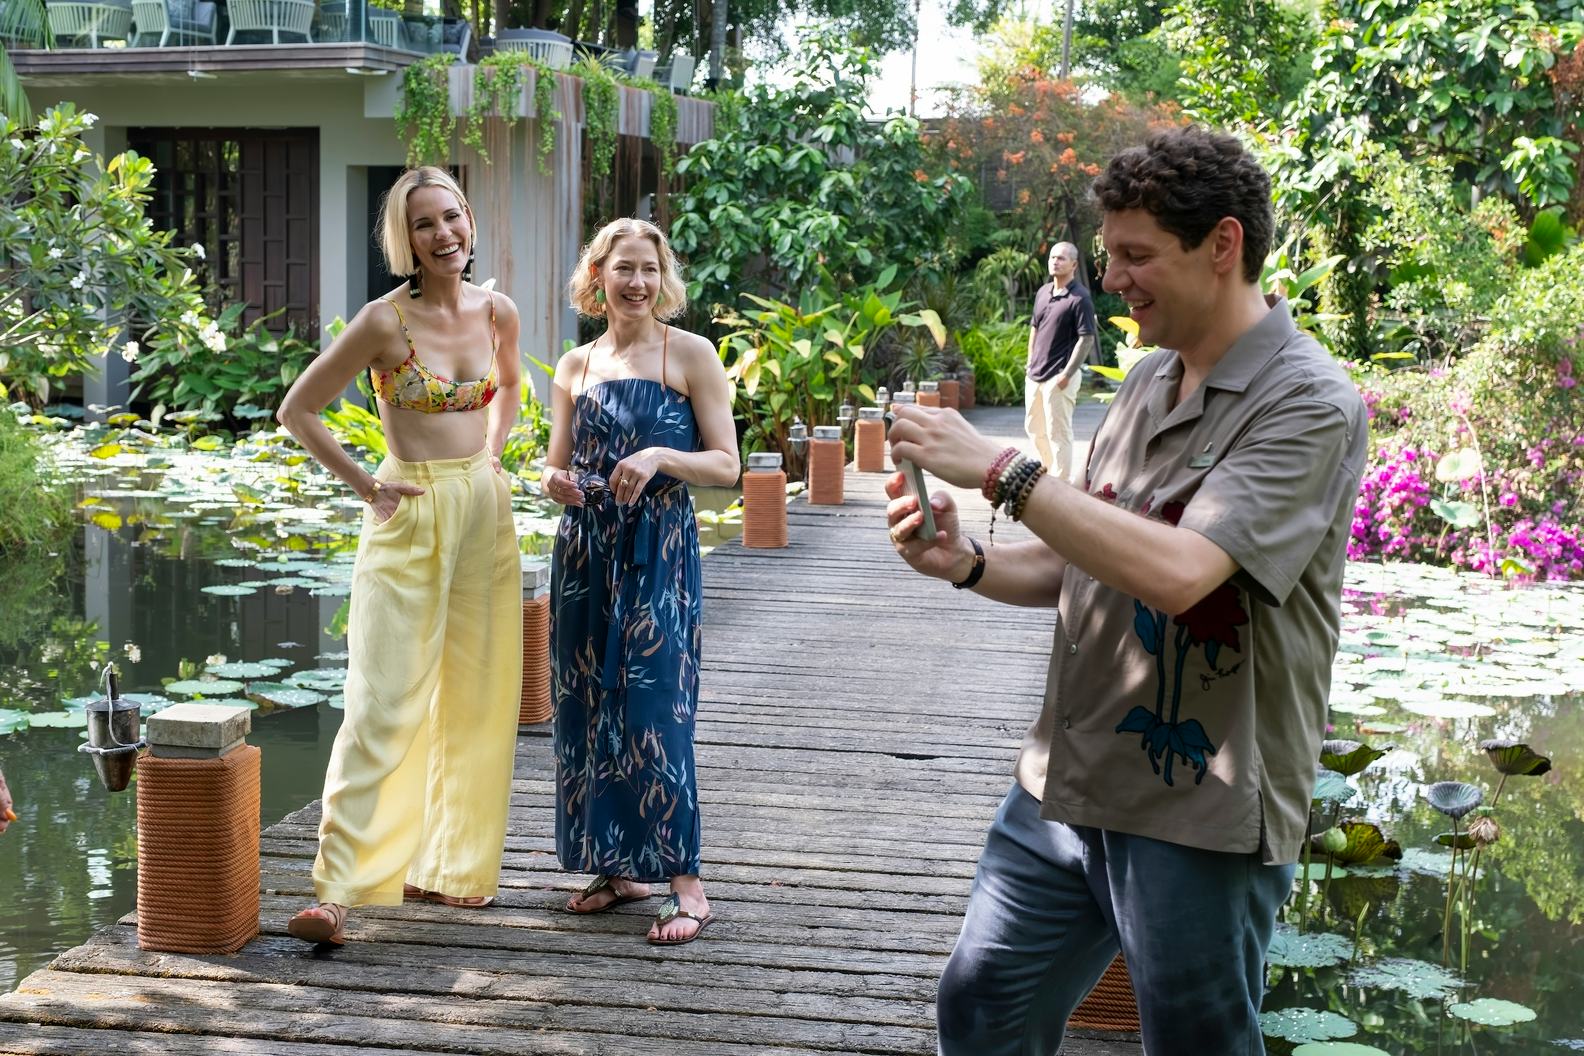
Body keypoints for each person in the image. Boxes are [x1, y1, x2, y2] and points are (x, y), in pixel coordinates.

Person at [884, 126, 1368, 1055]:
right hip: (1065, 782)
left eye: (1137, 255)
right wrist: (968, 564)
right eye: (1108, 254)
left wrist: (1004, 474)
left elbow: (1184, 573)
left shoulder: (1309, 402)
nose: (1112, 278)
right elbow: (1085, 566)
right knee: (980, 1007)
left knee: (1195, 1043)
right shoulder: (1146, 380)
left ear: (1222, 245)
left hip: (1198, 811)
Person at [275, 167, 525, 946]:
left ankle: (452, 869)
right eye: (424, 224)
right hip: (406, 507)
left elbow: (511, 385)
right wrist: (365, 486)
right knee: (383, 698)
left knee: (480, 694)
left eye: (452, 217)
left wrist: (494, 452)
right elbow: (298, 409)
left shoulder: (499, 311)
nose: (443, 234)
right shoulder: (385, 322)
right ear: (405, 240)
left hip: (483, 510)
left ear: (471, 222)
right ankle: (341, 889)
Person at [542, 219, 739, 946]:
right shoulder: (575, 364)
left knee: (655, 706)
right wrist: (552, 480)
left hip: (658, 548)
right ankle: (617, 866)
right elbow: (551, 462)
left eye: (649, 270)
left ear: (664, 278)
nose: (637, 283)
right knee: (588, 705)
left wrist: (661, 455)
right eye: (623, 269)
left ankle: (685, 882)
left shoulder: (690, 354)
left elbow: (727, 464)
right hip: (586, 551)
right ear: (597, 276)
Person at [1025, 241, 1097, 482]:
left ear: (1074, 264)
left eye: (1061, 258)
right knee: (1034, 429)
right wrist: (1029, 362)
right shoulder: (1043, 292)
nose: (1055, 261)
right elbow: (1034, 328)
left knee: (1058, 432)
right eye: (1053, 257)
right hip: (1034, 374)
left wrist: (1066, 374)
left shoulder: (1080, 298)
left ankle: (1060, 483)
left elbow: (1086, 338)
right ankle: (1047, 472)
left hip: (1059, 375)